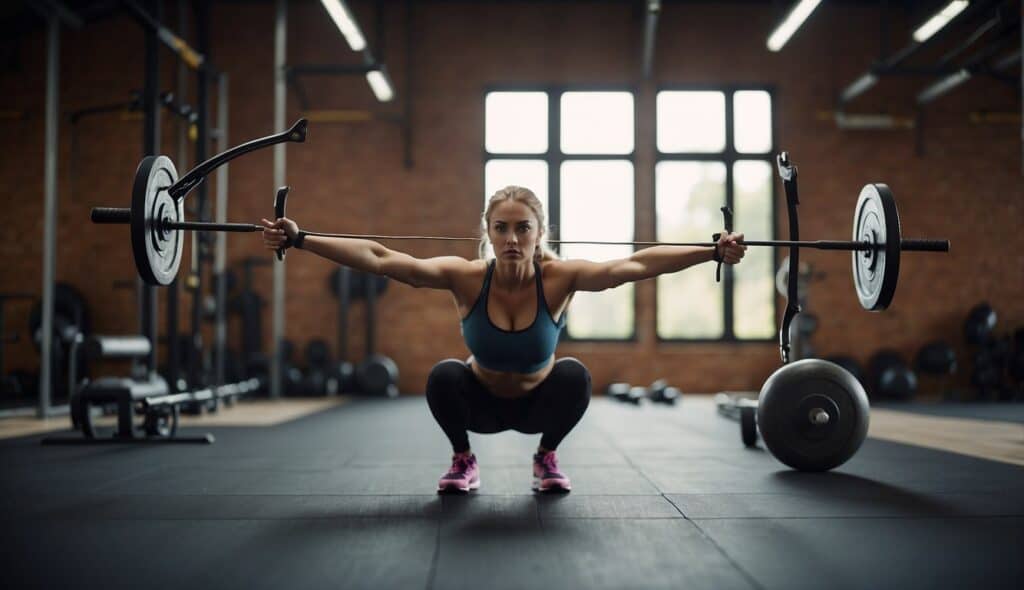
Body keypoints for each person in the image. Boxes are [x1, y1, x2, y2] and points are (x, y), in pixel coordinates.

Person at [262, 185, 746, 493]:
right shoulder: (468, 277)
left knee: (575, 374)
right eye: (502, 228)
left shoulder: (559, 278)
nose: (512, 238)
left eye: (523, 228)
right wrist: (303, 239)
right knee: (443, 374)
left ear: (539, 232)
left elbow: (635, 265)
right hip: (481, 405)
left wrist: (709, 252)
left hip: (540, 405)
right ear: (488, 233)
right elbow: (383, 259)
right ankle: (463, 458)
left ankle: (546, 456)